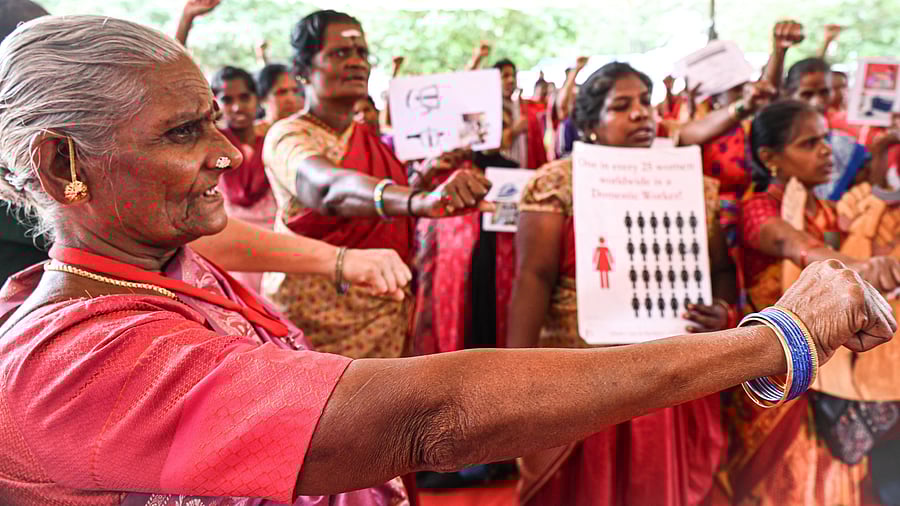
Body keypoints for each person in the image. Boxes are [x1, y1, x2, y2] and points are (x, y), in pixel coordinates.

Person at [1, 17, 894, 506]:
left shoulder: (161, 266)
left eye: (211, 120)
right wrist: (777, 338)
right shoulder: (72, 358)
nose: (227, 157)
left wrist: (363, 251)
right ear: (58, 166)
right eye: (183, 133)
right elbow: (435, 415)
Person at [506, 62, 738, 506]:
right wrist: (511, 377)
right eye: (622, 106)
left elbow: (719, 268)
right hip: (580, 370)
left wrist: (723, 312)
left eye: (646, 103)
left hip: (669, 364)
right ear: (590, 124)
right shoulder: (555, 182)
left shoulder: (686, 180)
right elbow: (532, 277)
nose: (641, 114)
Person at [262, 10, 492, 359]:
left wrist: (429, 176)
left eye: (362, 54)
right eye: (340, 53)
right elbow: (328, 189)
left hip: (384, 306)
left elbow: (375, 200)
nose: (357, 63)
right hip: (316, 319)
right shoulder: (289, 135)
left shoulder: (363, 136)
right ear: (303, 70)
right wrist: (418, 201)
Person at [719, 99, 900, 505]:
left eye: (825, 138)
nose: (825, 149)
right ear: (771, 159)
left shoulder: (824, 206)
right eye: (808, 143)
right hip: (772, 371)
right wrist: (857, 268)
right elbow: (796, 246)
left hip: (822, 367)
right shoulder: (758, 208)